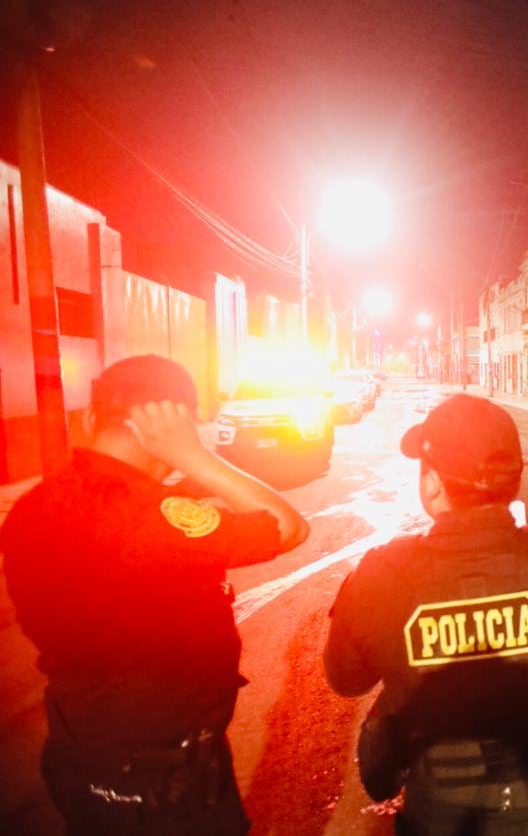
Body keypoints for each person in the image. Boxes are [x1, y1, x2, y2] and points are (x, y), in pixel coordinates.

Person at [1, 355, 310, 835]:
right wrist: (195, 457)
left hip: (78, 754)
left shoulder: (32, 507)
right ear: (175, 428)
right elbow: (287, 527)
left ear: (88, 419)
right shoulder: (156, 518)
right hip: (164, 781)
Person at [324, 394, 528, 834]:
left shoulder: (381, 577)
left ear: (433, 485)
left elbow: (345, 679)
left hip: (440, 815)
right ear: (515, 480)